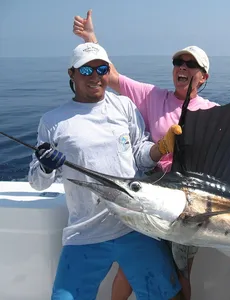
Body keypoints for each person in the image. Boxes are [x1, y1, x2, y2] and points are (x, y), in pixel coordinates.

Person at [73, 9, 219, 300]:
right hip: (152, 189)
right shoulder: (154, 96)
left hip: (190, 198)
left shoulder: (215, 113)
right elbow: (111, 77)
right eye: (179, 62)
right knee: (130, 266)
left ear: (203, 77)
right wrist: (91, 38)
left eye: (191, 65)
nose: (183, 67)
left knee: (180, 270)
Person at [28, 42, 183, 300]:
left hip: (134, 225)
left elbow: (139, 156)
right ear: (72, 74)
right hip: (85, 233)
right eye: (86, 71)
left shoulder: (124, 107)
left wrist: (159, 149)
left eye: (101, 69)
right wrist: (45, 167)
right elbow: (37, 183)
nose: (95, 76)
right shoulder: (53, 121)